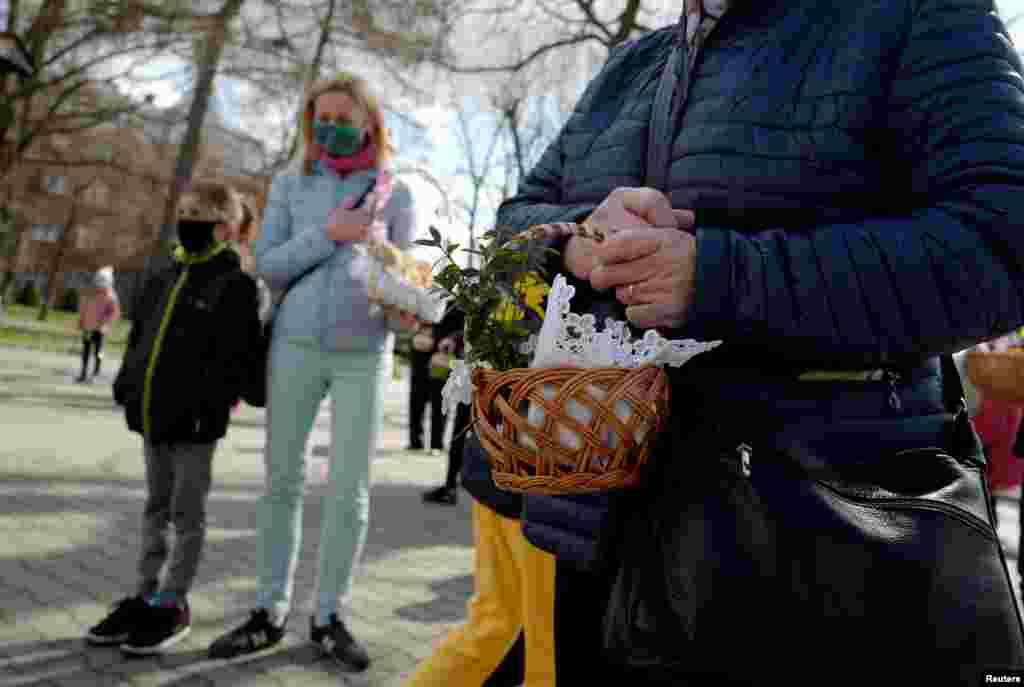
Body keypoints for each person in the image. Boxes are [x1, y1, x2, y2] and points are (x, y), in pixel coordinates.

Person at [493, 0, 1024, 682]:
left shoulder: (914, 14)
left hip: (818, 554)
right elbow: (511, 226)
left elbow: (1001, 246)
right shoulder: (629, 67)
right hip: (597, 539)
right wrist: (573, 241)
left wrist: (721, 276)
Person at [208, 72, 417, 672]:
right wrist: (330, 235)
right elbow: (270, 266)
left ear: (368, 122)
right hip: (295, 345)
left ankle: (328, 615)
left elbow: (407, 280)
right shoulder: (292, 181)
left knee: (349, 489)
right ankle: (268, 611)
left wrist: (405, 307)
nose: (330, 126)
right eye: (319, 116)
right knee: (282, 482)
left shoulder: (395, 193)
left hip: (365, 352)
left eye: (342, 117)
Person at [87, 181, 262, 655]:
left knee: (187, 516)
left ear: (225, 228)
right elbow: (141, 335)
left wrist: (232, 400)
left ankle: (173, 601)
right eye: (183, 210)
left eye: (198, 213)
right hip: (153, 416)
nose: (186, 220)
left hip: (197, 426)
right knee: (154, 509)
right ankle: (144, 595)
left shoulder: (236, 286)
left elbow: (242, 359)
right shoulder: (163, 275)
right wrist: (128, 383)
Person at [421, 306, 469, 506]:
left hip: (495, 372)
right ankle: (450, 486)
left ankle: (452, 487)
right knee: (459, 431)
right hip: (473, 372)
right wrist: (456, 339)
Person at [76, 266, 120, 383]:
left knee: (98, 352)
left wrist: (105, 324)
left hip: (100, 329)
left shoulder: (111, 296)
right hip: (88, 327)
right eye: (98, 280)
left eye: (102, 280)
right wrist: (81, 320)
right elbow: (84, 307)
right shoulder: (89, 293)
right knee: (86, 350)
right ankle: (83, 373)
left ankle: (95, 373)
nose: (99, 284)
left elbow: (114, 313)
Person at [407, 321, 446, 454]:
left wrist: (436, 341)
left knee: (439, 402)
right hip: (419, 353)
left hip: (441, 354)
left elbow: (456, 327)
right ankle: (415, 441)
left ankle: (436, 444)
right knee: (416, 399)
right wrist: (415, 333)